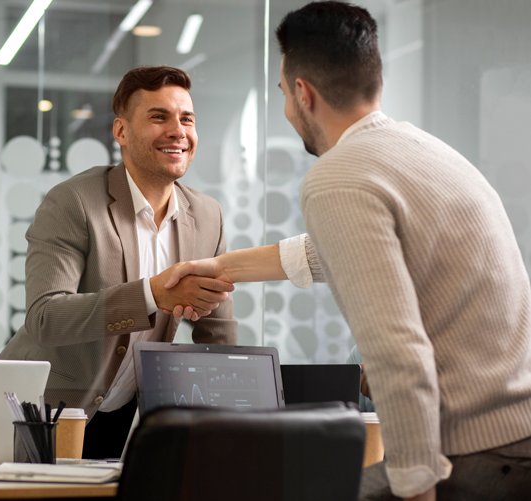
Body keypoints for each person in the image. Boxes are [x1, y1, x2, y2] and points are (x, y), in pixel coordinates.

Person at [163, 2, 531, 500]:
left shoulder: (340, 176)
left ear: (303, 93)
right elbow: (331, 252)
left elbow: (395, 347)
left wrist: (414, 485)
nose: (288, 113)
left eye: (283, 96)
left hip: (469, 456)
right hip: (516, 436)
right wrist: (222, 266)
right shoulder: (423, 152)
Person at [0, 66, 237, 460]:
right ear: (121, 132)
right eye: (159, 117)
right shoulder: (73, 202)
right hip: (45, 414)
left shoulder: (207, 215)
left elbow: (218, 331)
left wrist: (233, 423)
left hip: (125, 419)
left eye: (187, 119)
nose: (178, 130)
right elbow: (45, 317)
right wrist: (151, 294)